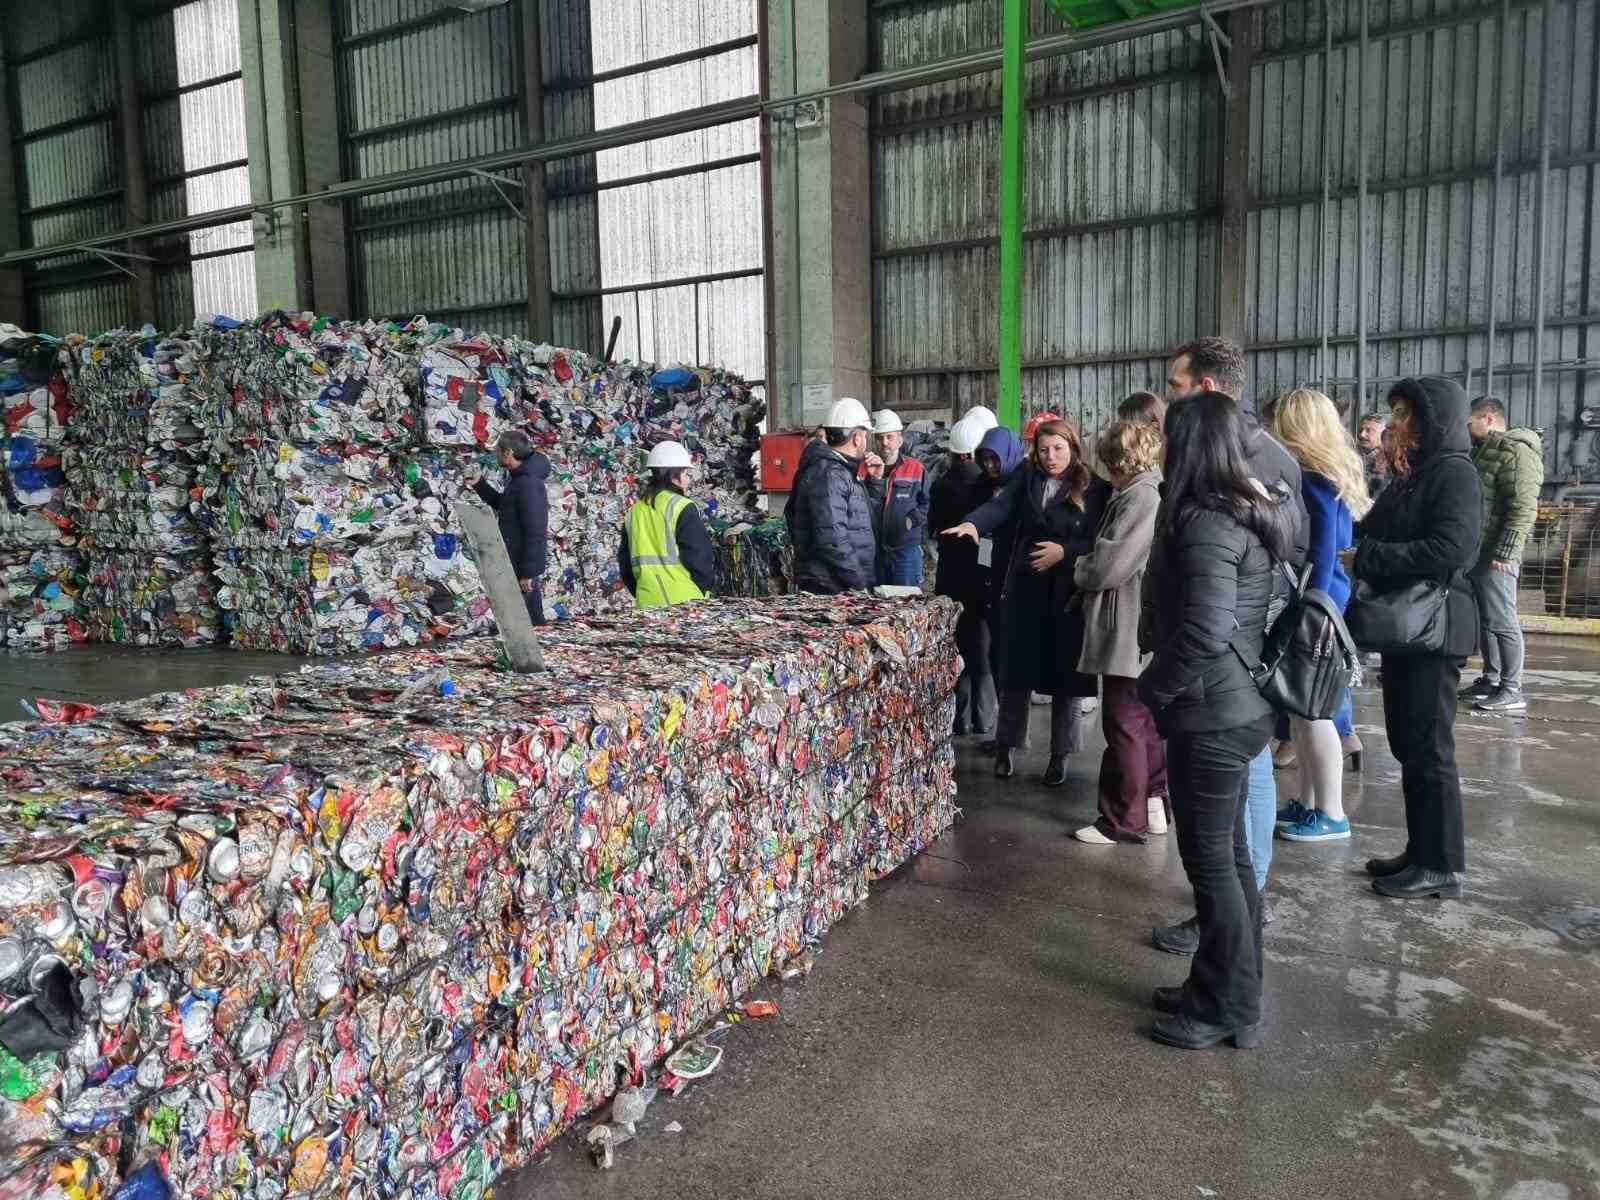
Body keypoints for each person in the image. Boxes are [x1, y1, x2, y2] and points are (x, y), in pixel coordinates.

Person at [1138, 391, 1294, 1050]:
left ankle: (1227, 1005)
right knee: (1226, 862)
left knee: (1214, 868)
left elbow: (1205, 627)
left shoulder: (1207, 522)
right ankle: (1224, 988)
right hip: (1233, 706)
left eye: (1170, 438)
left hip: (1213, 713)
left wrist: (1155, 686)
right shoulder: (1245, 509)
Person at [1152, 337, 1307, 955]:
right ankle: (1233, 933)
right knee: (1229, 841)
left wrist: (1158, 683)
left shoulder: (1229, 485)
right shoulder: (1255, 463)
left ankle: (1233, 933)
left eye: (1176, 387)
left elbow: (1215, 615)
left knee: (1219, 852)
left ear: (1206, 393)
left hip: (1224, 677)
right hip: (1234, 672)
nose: (1169, 401)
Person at [1346, 377, 1482, 899]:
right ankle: (1421, 850)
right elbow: (1372, 528)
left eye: (1403, 415)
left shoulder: (1454, 474)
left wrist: (1371, 559)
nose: (1394, 425)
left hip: (1437, 628)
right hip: (1411, 632)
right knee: (1409, 743)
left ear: (1431, 421)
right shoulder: (1413, 475)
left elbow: (1451, 549)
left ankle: (1442, 865)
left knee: (1429, 749)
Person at [944, 419, 1098, 785]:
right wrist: (972, 524)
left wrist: (1065, 552)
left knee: (1065, 681)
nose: (1051, 457)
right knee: (1016, 675)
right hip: (1026, 591)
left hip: (1067, 596)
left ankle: (1060, 756)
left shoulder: (1092, 487)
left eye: (1058, 449)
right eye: (1044, 450)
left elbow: (1099, 541)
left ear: (1073, 448)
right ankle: (1006, 748)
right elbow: (1000, 508)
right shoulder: (1026, 478)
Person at [1269, 389, 1373, 843]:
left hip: (1315, 604)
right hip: (1323, 599)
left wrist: (1308, 605)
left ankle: (1330, 812)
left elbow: (1323, 549)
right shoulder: (1326, 474)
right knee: (1303, 711)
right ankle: (1310, 804)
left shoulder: (1314, 479)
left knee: (1314, 713)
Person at [1071, 416, 1167, 844]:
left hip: (1127, 623)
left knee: (1123, 721)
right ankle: (1153, 805)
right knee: (1143, 722)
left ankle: (1122, 820)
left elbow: (1110, 565)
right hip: (1136, 622)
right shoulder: (1142, 492)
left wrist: (1080, 567)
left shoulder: (1140, 497)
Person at [1460, 396, 1542, 715]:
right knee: (1487, 619)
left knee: (1502, 619)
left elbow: (1523, 508)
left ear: (1489, 418)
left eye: (1471, 422)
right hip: (1481, 551)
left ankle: (1511, 688)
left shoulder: (1517, 451)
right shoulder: (1483, 451)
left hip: (1498, 553)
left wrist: (1506, 551)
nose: (1467, 428)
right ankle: (1490, 679)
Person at [932, 414, 993, 735]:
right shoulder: (986, 485)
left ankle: (959, 720)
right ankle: (983, 720)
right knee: (979, 651)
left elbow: (932, 530)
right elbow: (989, 536)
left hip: (948, 577)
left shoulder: (941, 484)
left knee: (954, 648)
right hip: (978, 578)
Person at [786, 397, 883, 594]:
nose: (865, 441)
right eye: (865, 436)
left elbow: (860, 520)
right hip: (832, 586)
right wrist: (859, 582)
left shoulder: (841, 470)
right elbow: (832, 540)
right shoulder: (830, 474)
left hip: (838, 582)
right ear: (857, 438)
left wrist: (874, 482)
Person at [467, 430, 551, 626]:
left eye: (498, 451)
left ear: (508, 452)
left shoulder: (528, 483)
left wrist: (528, 573)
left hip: (521, 564)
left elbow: (536, 529)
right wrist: (480, 485)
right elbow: (504, 505)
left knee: (530, 621)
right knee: (521, 620)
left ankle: (542, 654)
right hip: (513, 560)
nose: (496, 455)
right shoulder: (518, 479)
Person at [617, 441, 714, 608]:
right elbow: (699, 559)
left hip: (647, 604)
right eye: (685, 473)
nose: (688, 479)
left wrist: (643, 592)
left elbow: (625, 565)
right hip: (685, 602)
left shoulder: (634, 512)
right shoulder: (682, 506)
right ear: (673, 474)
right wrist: (702, 591)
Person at [869, 409, 930, 586]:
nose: (884, 442)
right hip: (875, 552)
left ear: (900, 440)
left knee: (908, 604)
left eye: (889, 437)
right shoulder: (866, 469)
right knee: (875, 607)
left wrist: (911, 520)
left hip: (905, 551)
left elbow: (926, 503)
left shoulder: (916, 469)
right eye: (879, 438)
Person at [1358, 413, 1389, 500]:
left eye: (1369, 431)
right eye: (1361, 430)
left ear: (1383, 435)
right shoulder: (1351, 457)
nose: (1362, 435)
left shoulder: (1390, 463)